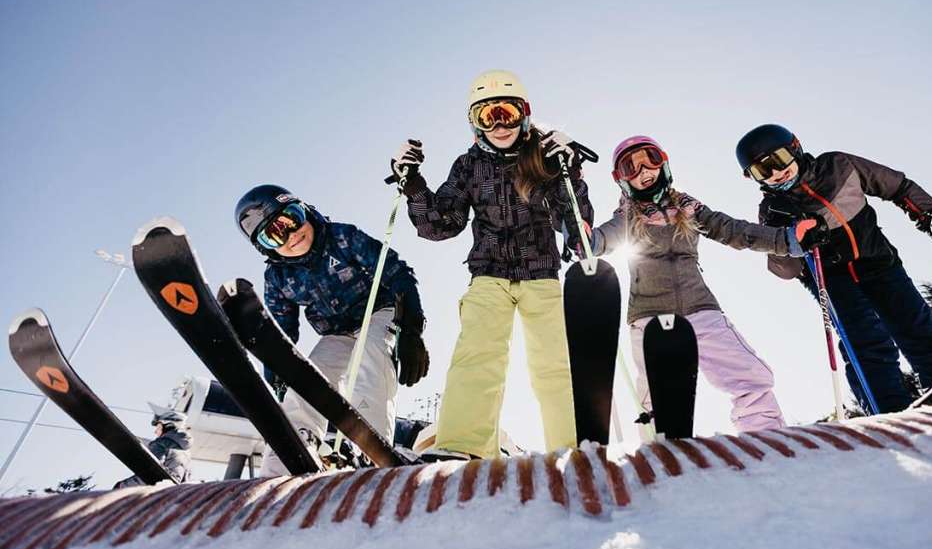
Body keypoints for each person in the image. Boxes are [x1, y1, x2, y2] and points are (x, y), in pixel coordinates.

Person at [389, 70, 593, 459]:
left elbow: (575, 224)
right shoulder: (468, 166)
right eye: (488, 116)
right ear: (474, 124)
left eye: (507, 113)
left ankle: (574, 445)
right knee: (477, 357)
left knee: (557, 362)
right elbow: (440, 225)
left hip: (542, 275)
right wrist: (412, 182)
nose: (500, 125)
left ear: (524, 114)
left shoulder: (544, 158)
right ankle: (463, 446)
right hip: (489, 276)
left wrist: (571, 171)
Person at [736, 123, 932, 412]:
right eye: (762, 171)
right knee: (867, 345)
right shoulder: (773, 209)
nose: (776, 173)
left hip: (879, 263)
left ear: (794, 148)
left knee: (919, 330)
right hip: (833, 282)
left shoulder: (838, 165)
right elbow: (786, 270)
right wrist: (794, 240)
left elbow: (897, 187)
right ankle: (888, 416)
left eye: (778, 160)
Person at [588, 135, 824, 433]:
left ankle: (763, 431)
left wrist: (789, 239)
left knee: (748, 374)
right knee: (657, 394)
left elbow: (735, 231)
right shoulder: (626, 217)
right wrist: (587, 239)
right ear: (621, 179)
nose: (644, 171)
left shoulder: (689, 208)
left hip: (701, 309)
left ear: (663, 163)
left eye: (650, 160)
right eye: (630, 167)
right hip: (650, 315)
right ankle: (661, 449)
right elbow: (602, 239)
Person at [234, 185, 428, 475]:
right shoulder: (277, 277)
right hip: (336, 332)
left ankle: (372, 445)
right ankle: (292, 448)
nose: (292, 235)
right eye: (275, 233)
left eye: (292, 219)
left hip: (379, 312)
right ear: (265, 246)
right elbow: (282, 332)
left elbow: (397, 272)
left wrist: (412, 330)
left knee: (372, 353)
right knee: (310, 377)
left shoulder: (341, 237)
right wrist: (277, 371)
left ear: (305, 210)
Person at [113, 407, 192, 488]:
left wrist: (121, 486)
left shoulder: (162, 444)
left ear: (168, 426)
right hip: (172, 494)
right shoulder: (186, 453)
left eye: (158, 427)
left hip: (157, 490)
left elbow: (151, 473)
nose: (155, 432)